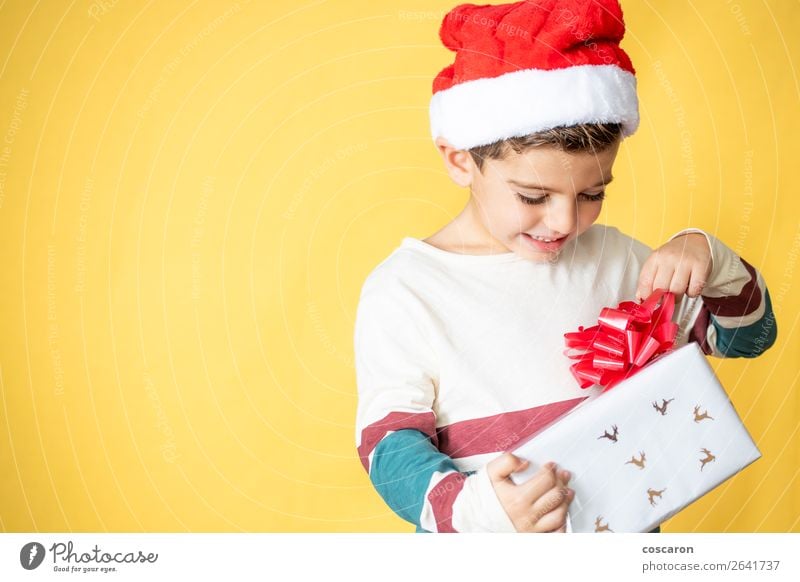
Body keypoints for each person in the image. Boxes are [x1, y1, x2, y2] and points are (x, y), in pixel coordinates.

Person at [353, 0, 777, 533]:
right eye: (533, 195)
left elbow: (748, 339)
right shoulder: (406, 290)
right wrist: (473, 510)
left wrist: (711, 260)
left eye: (592, 194)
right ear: (460, 159)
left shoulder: (618, 258)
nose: (563, 222)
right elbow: (386, 445)